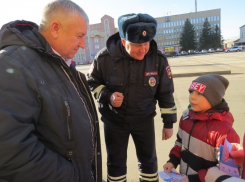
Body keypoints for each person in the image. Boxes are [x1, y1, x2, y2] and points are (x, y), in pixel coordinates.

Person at [0, 0, 102, 181]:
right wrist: (76, 175)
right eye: (79, 36)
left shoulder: (58, 63)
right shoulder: (13, 65)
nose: (83, 45)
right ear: (55, 28)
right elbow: (10, 151)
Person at [87, 13, 177, 182]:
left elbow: (165, 92)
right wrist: (108, 96)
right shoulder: (103, 59)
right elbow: (92, 83)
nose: (143, 49)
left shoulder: (157, 59)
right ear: (123, 41)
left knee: (149, 163)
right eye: (138, 45)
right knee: (115, 164)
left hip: (144, 120)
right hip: (114, 122)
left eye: (146, 43)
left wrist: (168, 123)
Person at [163, 74, 240, 182]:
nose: (192, 97)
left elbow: (225, 171)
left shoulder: (225, 132)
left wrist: (193, 179)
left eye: (199, 93)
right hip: (184, 177)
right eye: (191, 92)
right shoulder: (186, 119)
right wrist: (173, 161)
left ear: (213, 99)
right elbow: (179, 143)